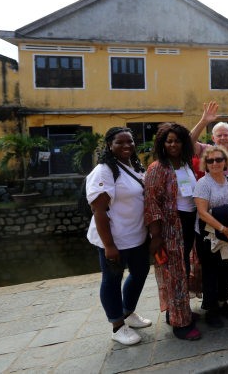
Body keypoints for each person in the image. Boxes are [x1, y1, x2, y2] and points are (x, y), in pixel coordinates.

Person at [86, 127, 151, 346]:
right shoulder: (104, 171)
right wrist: (109, 245)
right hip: (114, 239)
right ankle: (117, 326)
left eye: (130, 142)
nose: (126, 146)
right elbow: (98, 210)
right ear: (109, 145)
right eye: (120, 142)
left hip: (137, 235)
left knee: (139, 273)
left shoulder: (133, 166)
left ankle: (127, 312)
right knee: (112, 280)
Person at [144, 122, 202, 341]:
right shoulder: (158, 168)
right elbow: (151, 204)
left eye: (177, 140)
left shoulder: (186, 164)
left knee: (182, 270)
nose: (173, 144)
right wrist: (156, 236)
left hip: (188, 224)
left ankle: (177, 312)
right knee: (175, 275)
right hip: (170, 228)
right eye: (169, 141)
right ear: (162, 144)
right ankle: (181, 325)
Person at [193, 146, 228, 328]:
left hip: (227, 232)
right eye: (211, 160)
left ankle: (223, 302)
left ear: (225, 162)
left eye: (219, 160)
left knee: (227, 270)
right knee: (211, 273)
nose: (215, 163)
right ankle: (211, 309)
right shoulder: (203, 184)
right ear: (206, 163)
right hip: (209, 234)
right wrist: (223, 229)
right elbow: (202, 212)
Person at [190, 102, 228, 177]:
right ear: (213, 138)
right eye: (219, 135)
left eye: (226, 135)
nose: (223, 138)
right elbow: (188, 142)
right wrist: (203, 122)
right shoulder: (207, 150)